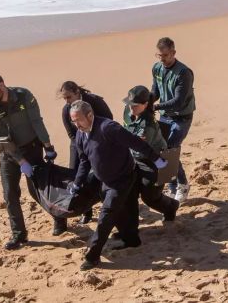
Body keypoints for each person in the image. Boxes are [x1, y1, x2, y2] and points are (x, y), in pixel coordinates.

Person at [69, 100, 167, 270]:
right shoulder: (80, 134)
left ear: (90, 115)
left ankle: (92, 256)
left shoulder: (108, 128)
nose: (76, 124)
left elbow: (135, 142)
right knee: (125, 209)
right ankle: (132, 240)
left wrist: (156, 159)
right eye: (73, 121)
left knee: (106, 216)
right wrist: (77, 183)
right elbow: (84, 160)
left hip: (122, 178)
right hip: (103, 179)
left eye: (79, 120)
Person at [0, 71, 67, 250]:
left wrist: (48, 146)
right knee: (10, 193)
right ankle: (19, 235)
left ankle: (59, 218)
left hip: (32, 148)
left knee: (38, 190)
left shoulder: (24, 95)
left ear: (2, 86)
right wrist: (21, 162)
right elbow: (3, 139)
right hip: (9, 154)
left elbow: (37, 121)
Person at [121, 85, 180, 222]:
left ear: (145, 104)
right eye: (129, 104)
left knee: (150, 197)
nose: (131, 108)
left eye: (135, 105)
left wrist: (123, 140)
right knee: (129, 193)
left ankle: (171, 206)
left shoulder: (147, 124)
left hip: (155, 161)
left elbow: (139, 148)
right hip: (134, 158)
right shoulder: (129, 111)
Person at [57, 81, 113, 223]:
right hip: (78, 144)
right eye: (64, 98)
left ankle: (108, 203)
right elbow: (71, 134)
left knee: (102, 173)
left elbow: (109, 119)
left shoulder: (94, 101)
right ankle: (86, 211)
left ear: (77, 92)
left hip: (100, 142)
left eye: (69, 97)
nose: (67, 101)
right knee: (76, 175)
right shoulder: (66, 110)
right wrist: (83, 148)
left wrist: (95, 143)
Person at [151, 37, 196, 202]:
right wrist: (144, 102)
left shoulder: (184, 73)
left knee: (170, 150)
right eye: (159, 56)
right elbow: (155, 92)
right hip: (165, 116)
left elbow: (178, 101)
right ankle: (171, 186)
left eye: (165, 55)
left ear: (173, 53)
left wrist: (155, 107)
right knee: (161, 150)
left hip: (181, 118)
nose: (162, 59)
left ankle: (182, 185)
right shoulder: (157, 68)